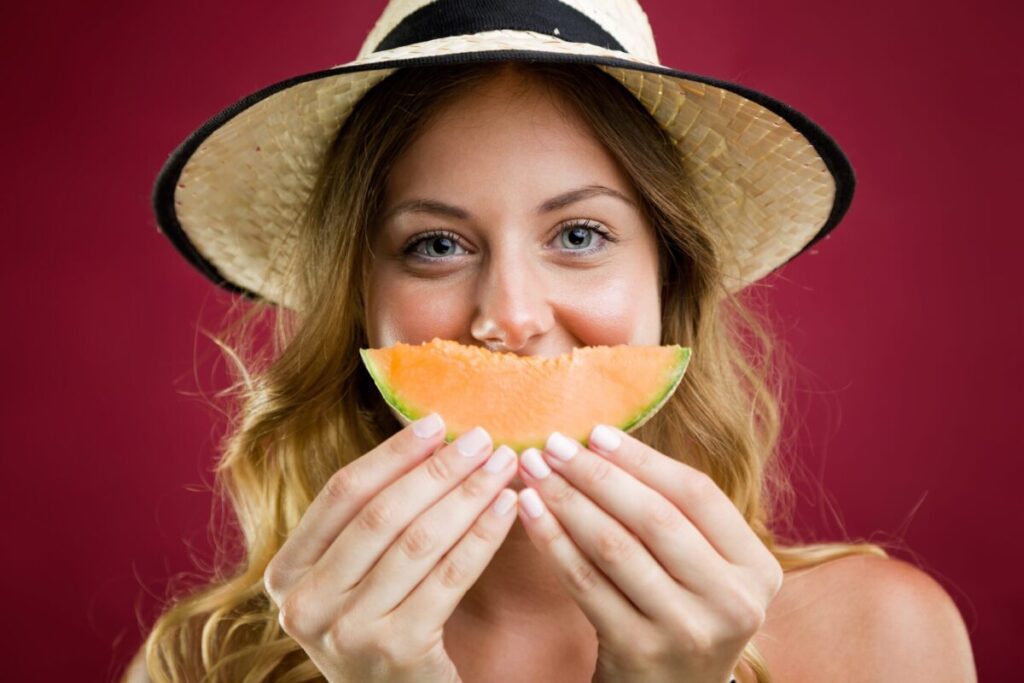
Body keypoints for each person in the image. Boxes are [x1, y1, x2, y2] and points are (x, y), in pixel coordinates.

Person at [129, 2, 976, 681]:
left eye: (578, 234)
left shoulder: (879, 641)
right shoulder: (202, 665)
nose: (511, 316)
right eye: (435, 244)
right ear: (359, 305)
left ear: (668, 283)